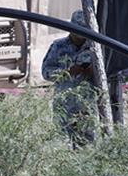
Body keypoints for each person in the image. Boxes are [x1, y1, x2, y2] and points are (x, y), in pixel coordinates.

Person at [41, 10, 98, 148]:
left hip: (87, 106)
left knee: (87, 146)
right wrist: (67, 72)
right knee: (63, 145)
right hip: (64, 107)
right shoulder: (58, 46)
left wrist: (94, 72)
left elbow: (107, 73)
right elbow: (46, 72)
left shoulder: (95, 47)